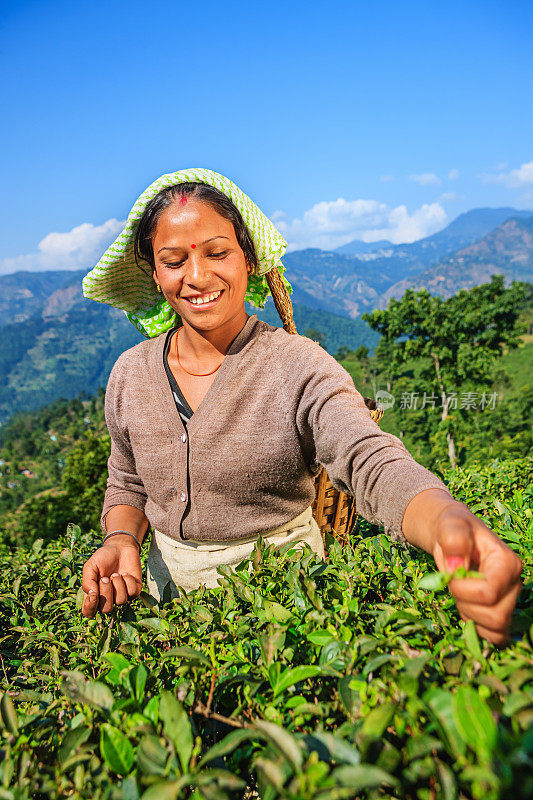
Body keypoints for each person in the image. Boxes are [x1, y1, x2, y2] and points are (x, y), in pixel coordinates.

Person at [80, 168, 522, 645]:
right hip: (167, 616)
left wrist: (446, 522)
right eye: (173, 261)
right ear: (155, 273)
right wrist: (121, 539)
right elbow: (127, 482)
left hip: (288, 611)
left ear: (248, 259)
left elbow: (368, 457)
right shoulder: (130, 373)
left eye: (218, 252)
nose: (197, 276)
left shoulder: (296, 365)